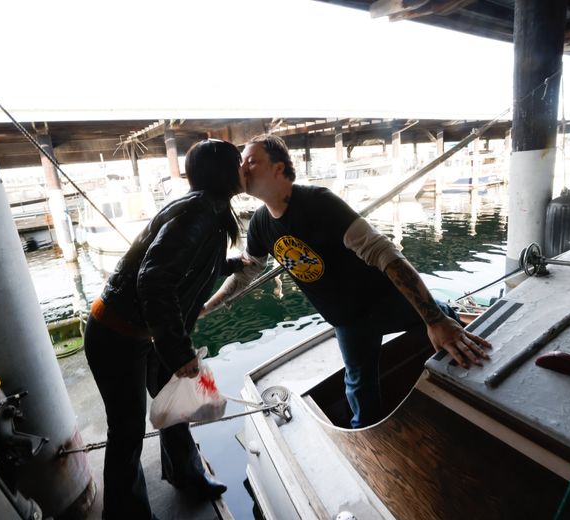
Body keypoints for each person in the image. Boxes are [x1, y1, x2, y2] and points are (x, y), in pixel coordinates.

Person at [203, 134, 491, 429]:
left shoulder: (319, 202)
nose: (244, 169)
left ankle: (470, 389)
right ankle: (369, 438)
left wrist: (434, 319)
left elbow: (384, 254)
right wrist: (205, 308)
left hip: (384, 300)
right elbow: (247, 271)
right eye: (243, 163)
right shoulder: (261, 224)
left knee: (446, 320)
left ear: (278, 168)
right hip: (348, 322)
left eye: (252, 161)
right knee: (360, 396)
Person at [84, 138, 245, 519]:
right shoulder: (200, 213)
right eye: (239, 162)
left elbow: (188, 264)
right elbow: (154, 279)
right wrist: (179, 353)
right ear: (224, 172)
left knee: (175, 410)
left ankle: (187, 475)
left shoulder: (208, 209)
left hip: (143, 333)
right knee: (126, 431)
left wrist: (231, 265)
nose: (244, 169)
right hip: (116, 334)